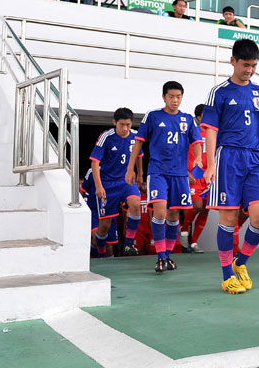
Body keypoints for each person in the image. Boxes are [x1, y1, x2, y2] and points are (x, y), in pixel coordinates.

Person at [202, 39, 259, 295]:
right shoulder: (219, 92)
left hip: (253, 160)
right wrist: (210, 164)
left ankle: (240, 262)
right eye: (245, 65)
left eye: (254, 66)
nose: (249, 70)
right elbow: (211, 130)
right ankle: (226, 276)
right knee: (229, 219)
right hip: (227, 159)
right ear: (233, 61)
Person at [125, 81, 203, 273]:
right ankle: (160, 256)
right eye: (171, 96)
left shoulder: (187, 119)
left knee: (174, 214)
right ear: (164, 97)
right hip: (158, 172)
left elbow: (197, 141)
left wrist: (199, 158)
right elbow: (139, 143)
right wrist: (131, 168)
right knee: (160, 212)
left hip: (179, 174)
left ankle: (167, 255)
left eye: (178, 97)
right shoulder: (153, 116)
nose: (175, 100)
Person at [89, 108, 144, 257]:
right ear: (114, 122)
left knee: (135, 205)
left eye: (128, 124)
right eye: (121, 124)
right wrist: (99, 186)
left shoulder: (135, 135)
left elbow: (139, 154)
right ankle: (100, 252)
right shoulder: (106, 137)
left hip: (126, 181)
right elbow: (94, 162)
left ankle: (129, 243)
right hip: (108, 183)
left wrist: (140, 174)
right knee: (104, 226)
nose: (125, 128)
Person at [180, 104, 209, 253]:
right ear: (198, 117)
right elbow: (181, 153)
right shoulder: (192, 132)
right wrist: (187, 173)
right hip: (194, 175)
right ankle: (184, 230)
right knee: (197, 206)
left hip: (208, 176)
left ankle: (194, 242)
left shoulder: (214, 133)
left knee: (205, 209)